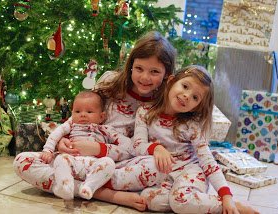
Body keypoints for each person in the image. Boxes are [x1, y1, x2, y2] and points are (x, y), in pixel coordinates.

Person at [13, 31, 176, 211]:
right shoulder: (110, 81)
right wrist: (62, 141)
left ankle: (83, 187)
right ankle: (107, 194)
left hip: (118, 164)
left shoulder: (165, 102)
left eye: (154, 72)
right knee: (22, 161)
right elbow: (82, 112)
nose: (145, 78)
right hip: (77, 158)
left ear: (167, 74)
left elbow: (138, 148)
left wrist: (100, 149)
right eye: (139, 69)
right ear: (131, 65)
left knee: (158, 167)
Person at [131, 65, 259, 213]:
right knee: (152, 200)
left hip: (190, 170)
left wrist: (226, 196)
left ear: (196, 107)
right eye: (185, 86)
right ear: (171, 81)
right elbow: (137, 145)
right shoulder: (145, 111)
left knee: (180, 200)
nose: (187, 96)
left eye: (195, 97)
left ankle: (231, 206)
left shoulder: (192, 126)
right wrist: (155, 148)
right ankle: (195, 202)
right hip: (164, 174)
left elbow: (208, 161)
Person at [40, 91, 136, 200]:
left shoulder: (105, 129)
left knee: (108, 163)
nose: (83, 114)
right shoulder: (71, 125)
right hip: (73, 160)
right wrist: (47, 150)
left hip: (94, 163)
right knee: (60, 159)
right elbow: (56, 134)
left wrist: (133, 147)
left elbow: (126, 144)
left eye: (89, 111)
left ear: (101, 116)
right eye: (77, 111)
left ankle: (89, 186)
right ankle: (65, 186)